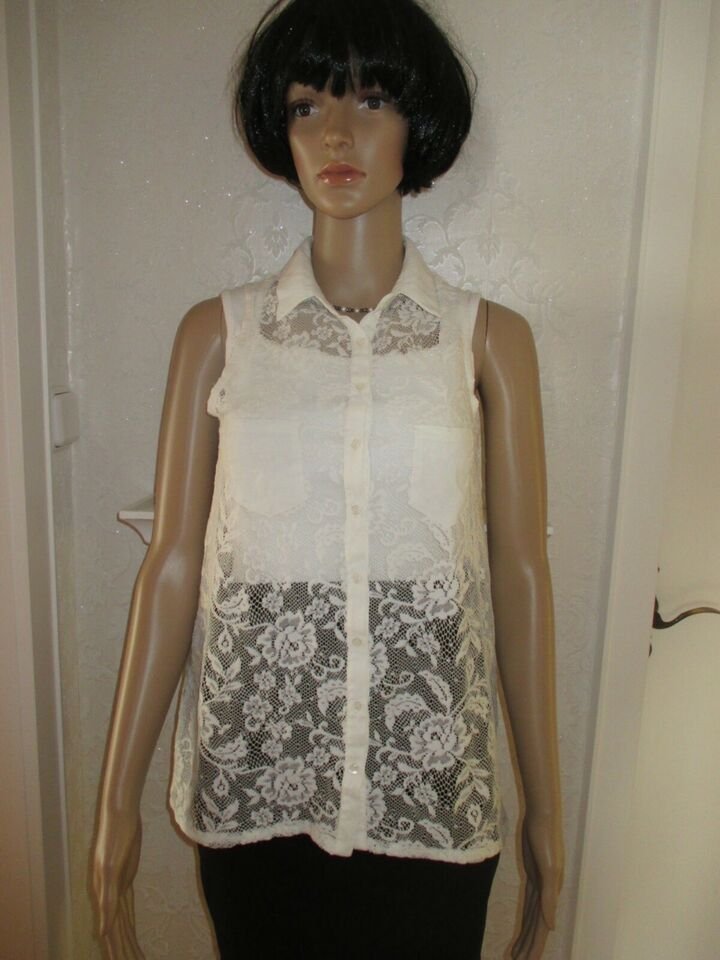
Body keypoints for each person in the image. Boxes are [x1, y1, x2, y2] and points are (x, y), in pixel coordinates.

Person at [92, 1, 563, 957]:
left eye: (372, 100)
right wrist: (115, 807)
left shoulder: (487, 339)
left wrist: (546, 813)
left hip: (428, 793)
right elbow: (175, 564)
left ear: (418, 123)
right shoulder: (219, 333)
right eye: (308, 105)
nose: (337, 134)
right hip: (262, 785)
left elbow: (518, 572)